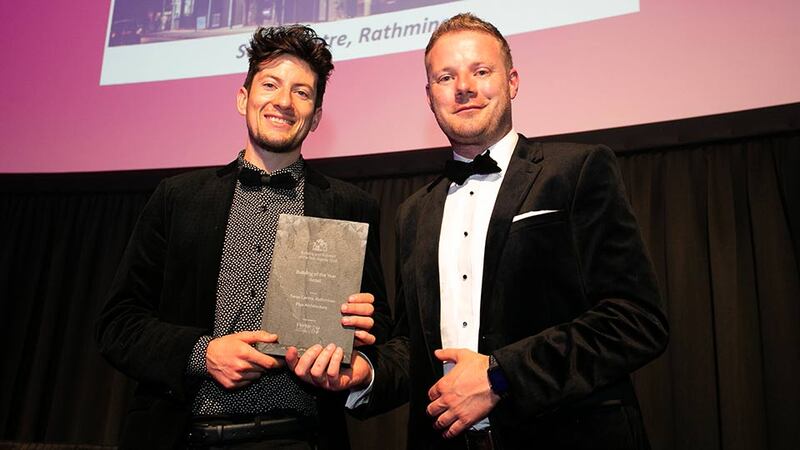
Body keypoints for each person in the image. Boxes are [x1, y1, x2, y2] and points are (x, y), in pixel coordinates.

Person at [291, 13, 669, 449]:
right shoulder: (413, 213)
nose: (464, 87)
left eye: (481, 71)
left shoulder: (578, 171)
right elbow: (412, 346)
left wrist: (500, 376)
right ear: (430, 96)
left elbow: (637, 319)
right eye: (445, 76)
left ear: (512, 82)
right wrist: (366, 375)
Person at [95, 25, 391, 450]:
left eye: (302, 92)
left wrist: (359, 346)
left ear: (318, 116)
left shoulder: (351, 207)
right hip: (185, 436)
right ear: (243, 98)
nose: (284, 102)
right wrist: (202, 354)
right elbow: (117, 324)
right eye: (270, 84)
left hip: (303, 439)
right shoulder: (178, 198)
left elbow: (379, 332)